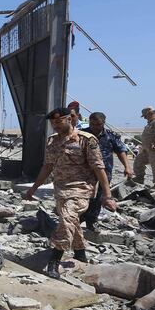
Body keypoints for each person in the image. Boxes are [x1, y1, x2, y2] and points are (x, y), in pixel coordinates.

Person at [24, 108, 117, 279]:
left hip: (81, 189)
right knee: (71, 221)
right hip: (61, 189)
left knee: (67, 218)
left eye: (58, 122)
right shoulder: (52, 141)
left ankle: (55, 258)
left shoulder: (87, 140)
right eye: (53, 123)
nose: (55, 125)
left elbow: (99, 167)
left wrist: (107, 195)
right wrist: (33, 188)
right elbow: (48, 166)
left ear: (69, 119)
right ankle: (80, 253)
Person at [80, 112, 133, 230]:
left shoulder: (111, 135)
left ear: (103, 123)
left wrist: (127, 167)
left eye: (98, 124)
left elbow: (121, 151)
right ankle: (80, 217)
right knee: (83, 193)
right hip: (85, 170)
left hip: (105, 170)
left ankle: (91, 220)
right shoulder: (82, 134)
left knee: (99, 195)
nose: (95, 126)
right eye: (92, 124)